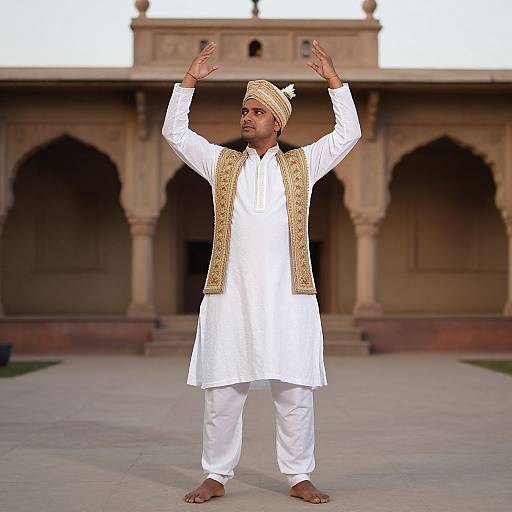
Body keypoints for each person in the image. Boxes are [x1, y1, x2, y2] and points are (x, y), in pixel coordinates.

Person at [161, 39, 361, 505]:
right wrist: (188, 80)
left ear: (276, 120)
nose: (246, 117)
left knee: (294, 389)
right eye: (244, 110)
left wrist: (334, 81)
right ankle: (216, 475)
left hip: (288, 293)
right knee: (223, 389)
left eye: (256, 111)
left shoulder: (302, 164)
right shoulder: (221, 164)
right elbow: (175, 132)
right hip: (229, 292)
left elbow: (348, 133)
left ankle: (298, 475)